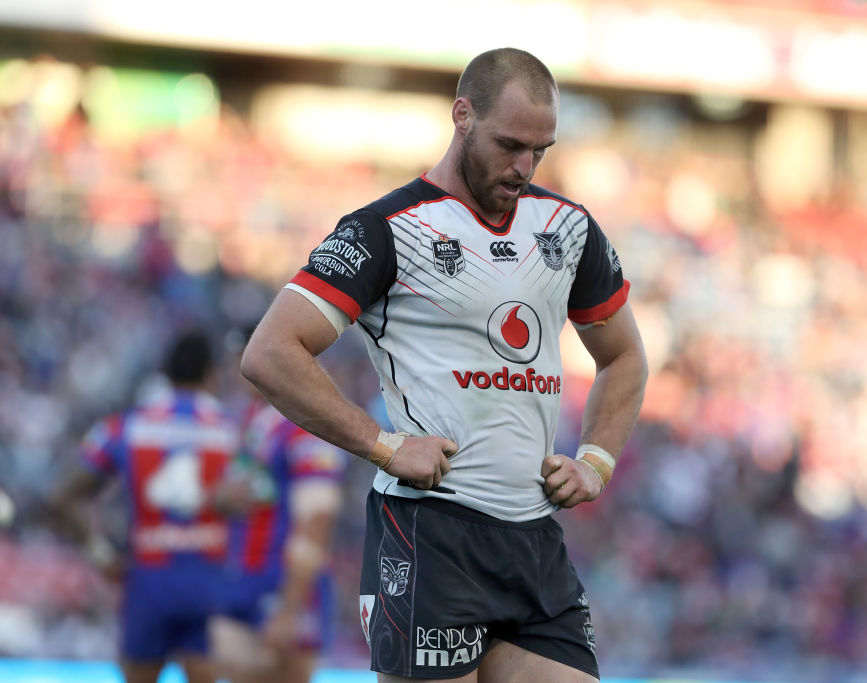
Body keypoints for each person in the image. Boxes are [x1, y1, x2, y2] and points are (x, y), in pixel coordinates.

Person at [241, 47, 648, 682]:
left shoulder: (567, 228)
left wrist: (597, 459)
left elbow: (623, 357)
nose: (524, 166)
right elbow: (270, 352)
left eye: (540, 150)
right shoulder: (385, 228)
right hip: (431, 534)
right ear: (462, 115)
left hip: (533, 539)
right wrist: (383, 445)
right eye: (510, 144)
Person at [51, 331, 240, 683]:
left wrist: (100, 552)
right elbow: (259, 500)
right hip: (209, 582)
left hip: (147, 581)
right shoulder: (233, 430)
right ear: (212, 374)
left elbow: (63, 497)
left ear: (165, 373)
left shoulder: (128, 424)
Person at [212, 383, 346, 683]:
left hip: (287, 585)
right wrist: (223, 498)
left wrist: (290, 607)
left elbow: (317, 517)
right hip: (243, 580)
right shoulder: (252, 422)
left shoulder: (308, 425)